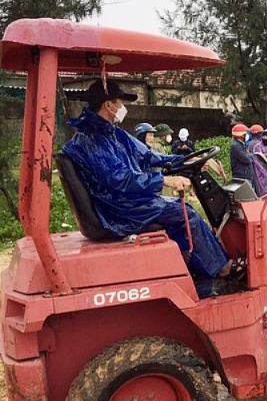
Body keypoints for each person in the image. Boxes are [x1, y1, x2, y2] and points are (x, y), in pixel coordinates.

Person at [62, 78, 230, 279]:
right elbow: (119, 179)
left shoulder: (112, 133)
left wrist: (184, 160)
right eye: (121, 103)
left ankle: (193, 265)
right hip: (119, 208)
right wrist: (164, 180)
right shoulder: (93, 140)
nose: (123, 107)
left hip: (125, 202)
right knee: (186, 214)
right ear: (109, 105)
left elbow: (149, 156)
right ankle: (221, 269)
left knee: (182, 210)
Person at [230, 123, 257, 192]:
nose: (248, 136)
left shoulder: (240, 144)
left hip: (245, 176)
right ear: (241, 135)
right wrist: (252, 155)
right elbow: (247, 159)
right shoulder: (236, 146)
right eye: (246, 134)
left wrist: (249, 154)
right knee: (247, 199)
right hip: (242, 177)